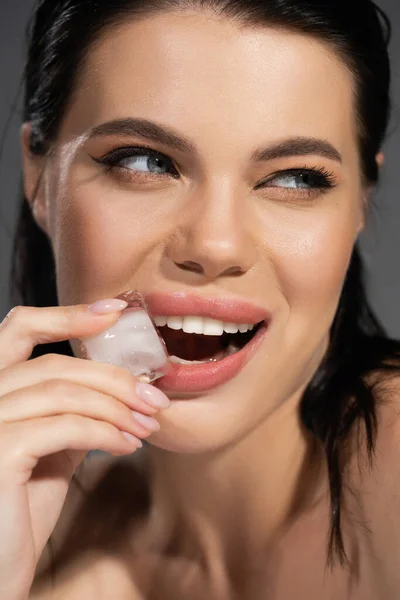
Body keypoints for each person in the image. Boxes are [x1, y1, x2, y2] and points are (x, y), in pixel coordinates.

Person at [0, 0, 399, 597]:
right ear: (39, 176)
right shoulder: (31, 534)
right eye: (143, 162)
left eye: (295, 178)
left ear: (360, 201)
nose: (214, 244)